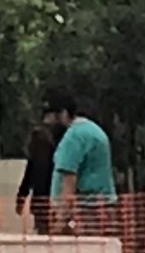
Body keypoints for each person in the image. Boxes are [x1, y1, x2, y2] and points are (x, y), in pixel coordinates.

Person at [44, 88, 118, 227]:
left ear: (63, 113)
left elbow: (69, 178)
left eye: (49, 116)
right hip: (103, 207)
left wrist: (61, 219)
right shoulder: (93, 130)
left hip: (85, 213)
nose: (46, 122)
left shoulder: (73, 137)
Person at [14, 119, 59, 236]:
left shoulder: (34, 161)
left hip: (39, 203)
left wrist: (20, 201)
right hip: (54, 200)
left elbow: (26, 183)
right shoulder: (56, 159)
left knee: (42, 231)